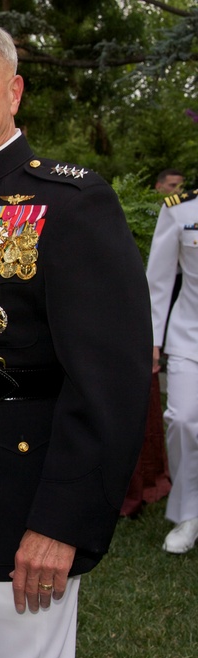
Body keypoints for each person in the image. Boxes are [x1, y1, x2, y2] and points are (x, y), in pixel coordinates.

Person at [0, 17, 151, 658]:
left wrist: (60, 521)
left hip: (24, 508)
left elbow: (112, 381)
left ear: (12, 92)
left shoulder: (70, 203)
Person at [147, 186, 198, 553]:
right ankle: (188, 514)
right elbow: (159, 280)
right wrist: (152, 339)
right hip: (189, 337)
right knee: (182, 420)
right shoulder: (181, 210)